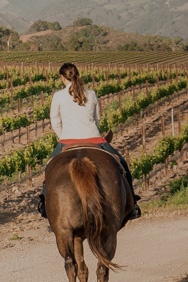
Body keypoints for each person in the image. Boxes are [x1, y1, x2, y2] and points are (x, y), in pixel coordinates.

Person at [37, 62, 141, 221]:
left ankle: (45, 205)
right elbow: (97, 119)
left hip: (67, 140)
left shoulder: (58, 96)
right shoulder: (91, 94)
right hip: (94, 138)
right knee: (122, 164)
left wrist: (62, 136)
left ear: (62, 78)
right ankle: (132, 205)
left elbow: (55, 121)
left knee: (49, 169)